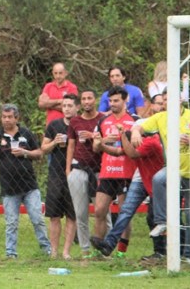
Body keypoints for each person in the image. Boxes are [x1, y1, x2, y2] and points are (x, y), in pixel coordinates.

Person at [131, 90, 190, 264]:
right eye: (165, 100)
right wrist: (135, 132)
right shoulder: (161, 117)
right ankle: (162, 222)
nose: (167, 102)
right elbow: (139, 125)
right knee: (158, 179)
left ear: (181, 99)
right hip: (173, 170)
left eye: (171, 99)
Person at [89, 101, 165, 259]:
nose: (133, 134)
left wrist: (123, 134)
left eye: (136, 132)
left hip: (156, 184)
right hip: (141, 180)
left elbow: (131, 154)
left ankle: (163, 252)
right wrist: (102, 145)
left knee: (155, 218)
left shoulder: (150, 142)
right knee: (125, 211)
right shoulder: (136, 142)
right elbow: (118, 151)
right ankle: (109, 244)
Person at [0, 104, 51, 258]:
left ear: (16, 118)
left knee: (37, 219)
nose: (6, 120)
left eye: (10, 117)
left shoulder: (25, 133)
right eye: (4, 117)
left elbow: (39, 153)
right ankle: (11, 253)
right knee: (11, 223)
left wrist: (25, 152)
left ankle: (47, 251)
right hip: (9, 188)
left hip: (29, 186)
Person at [91, 86, 138, 256]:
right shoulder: (103, 121)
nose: (112, 104)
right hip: (107, 171)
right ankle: (99, 251)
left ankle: (121, 253)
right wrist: (102, 141)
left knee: (124, 213)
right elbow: (95, 147)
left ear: (126, 101)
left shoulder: (134, 121)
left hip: (126, 173)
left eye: (116, 100)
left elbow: (127, 151)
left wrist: (111, 142)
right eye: (110, 101)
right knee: (99, 210)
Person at [65, 88, 102, 256]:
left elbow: (108, 143)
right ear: (81, 103)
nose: (87, 101)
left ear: (95, 100)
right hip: (78, 169)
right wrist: (68, 170)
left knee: (102, 211)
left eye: (90, 98)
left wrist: (94, 137)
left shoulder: (103, 119)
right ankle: (85, 250)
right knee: (80, 213)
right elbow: (71, 146)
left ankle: (102, 250)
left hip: (99, 170)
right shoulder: (75, 121)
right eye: (84, 99)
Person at [40, 94, 77, 260]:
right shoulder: (54, 125)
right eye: (64, 105)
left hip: (76, 172)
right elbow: (43, 148)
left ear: (77, 107)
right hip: (55, 173)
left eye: (70, 105)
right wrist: (54, 142)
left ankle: (66, 252)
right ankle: (54, 251)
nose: (67, 108)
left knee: (72, 214)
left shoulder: (80, 125)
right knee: (54, 214)